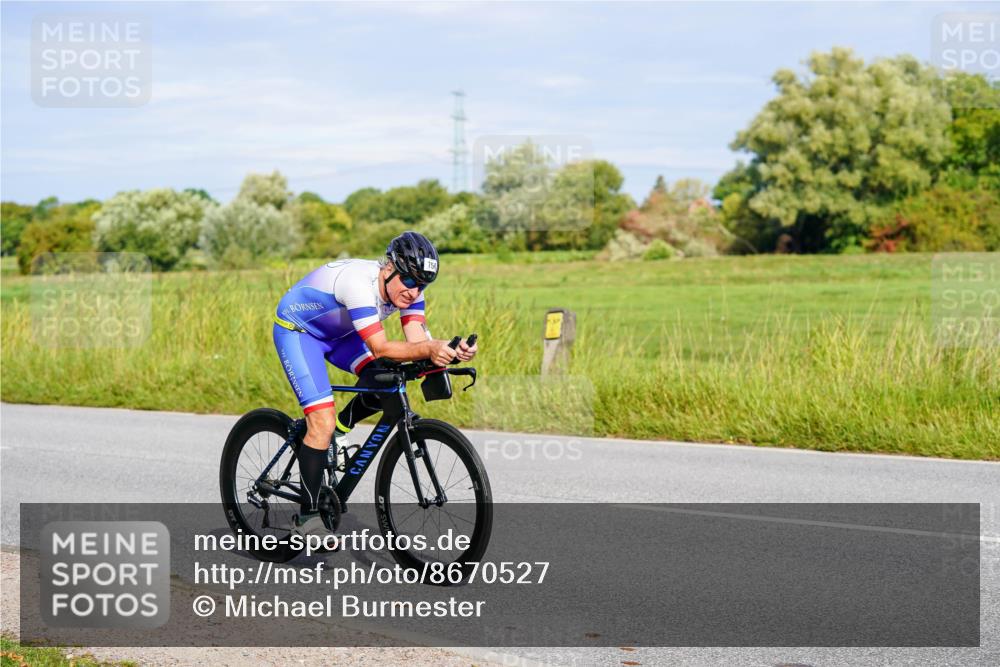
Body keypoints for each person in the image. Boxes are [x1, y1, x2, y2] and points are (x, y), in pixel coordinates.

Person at [272, 231, 478, 537]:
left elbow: (417, 342)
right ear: (389, 268)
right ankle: (307, 519)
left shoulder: (411, 291)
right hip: (300, 333)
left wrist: (449, 351)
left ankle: (338, 432)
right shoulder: (358, 284)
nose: (414, 291)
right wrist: (430, 348)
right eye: (409, 280)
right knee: (320, 422)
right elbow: (381, 348)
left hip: (343, 336)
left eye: (422, 285)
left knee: (384, 382)